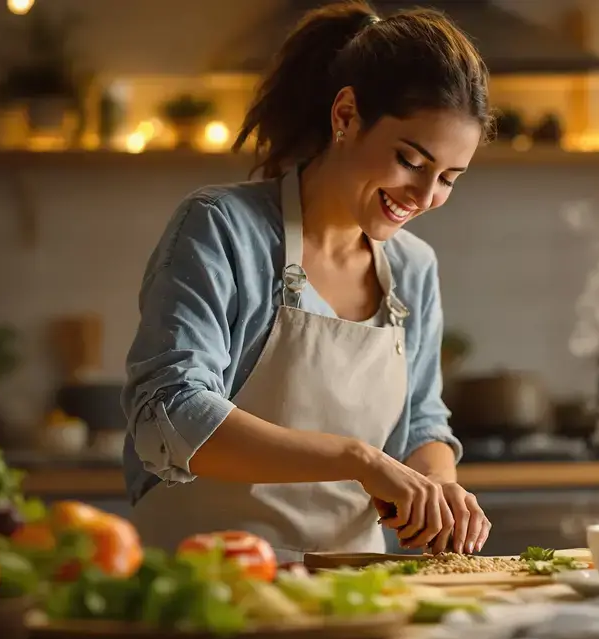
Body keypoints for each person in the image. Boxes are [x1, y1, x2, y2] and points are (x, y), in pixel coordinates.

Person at [121, 0, 493, 563]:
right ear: (346, 116)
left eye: (448, 178)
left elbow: (420, 420)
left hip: (354, 583)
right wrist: (357, 460)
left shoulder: (413, 267)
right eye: (411, 161)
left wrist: (439, 486)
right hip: (207, 577)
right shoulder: (222, 227)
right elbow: (170, 412)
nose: (424, 197)